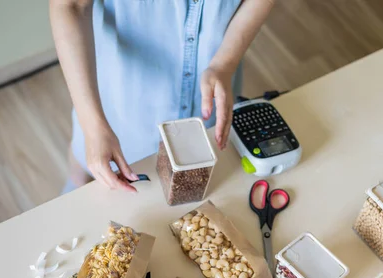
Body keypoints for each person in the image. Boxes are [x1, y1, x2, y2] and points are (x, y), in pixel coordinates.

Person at [50, 0, 275, 193]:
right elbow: (70, 5)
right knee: (85, 171)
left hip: (210, 90)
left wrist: (225, 63)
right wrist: (92, 127)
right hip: (118, 100)